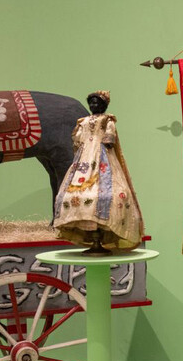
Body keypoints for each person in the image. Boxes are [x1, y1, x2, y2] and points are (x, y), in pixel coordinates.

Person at [53, 91, 143, 252]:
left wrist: (105, 142)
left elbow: (110, 138)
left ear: (104, 105)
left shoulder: (107, 120)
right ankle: (86, 229)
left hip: (102, 156)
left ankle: (104, 227)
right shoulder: (83, 121)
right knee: (72, 194)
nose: (94, 105)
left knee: (107, 194)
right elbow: (77, 140)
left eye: (97, 103)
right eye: (91, 103)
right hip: (84, 158)